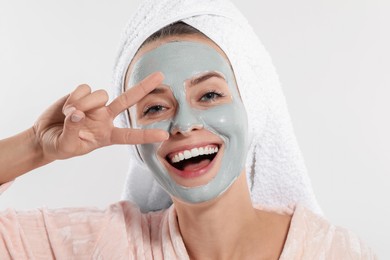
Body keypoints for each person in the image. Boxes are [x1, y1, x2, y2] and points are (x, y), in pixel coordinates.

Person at [0, 0, 376, 259]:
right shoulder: (103, 244)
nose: (183, 124)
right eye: (156, 107)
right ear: (135, 142)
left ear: (253, 108)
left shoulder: (336, 253)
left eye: (209, 94)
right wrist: (36, 147)